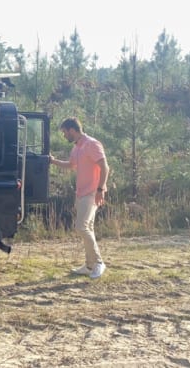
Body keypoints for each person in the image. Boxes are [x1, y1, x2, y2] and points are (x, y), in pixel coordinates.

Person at [49, 117, 110, 279]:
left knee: (81, 227)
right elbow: (70, 165)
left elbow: (105, 167)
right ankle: (89, 265)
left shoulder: (91, 144)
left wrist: (100, 189)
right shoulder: (77, 148)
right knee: (87, 228)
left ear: (72, 130)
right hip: (81, 193)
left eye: (64, 132)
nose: (64, 136)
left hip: (92, 192)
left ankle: (98, 263)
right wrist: (53, 161)